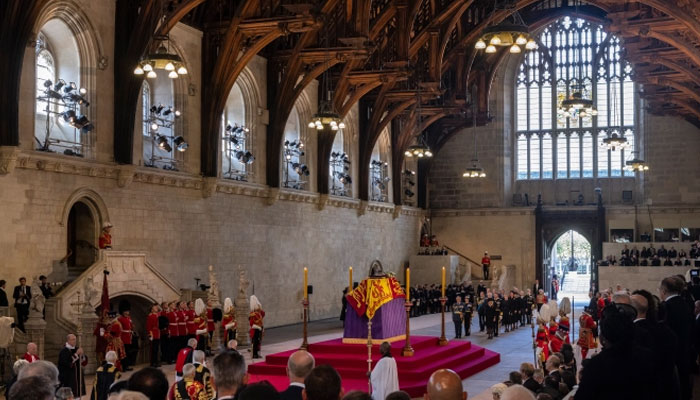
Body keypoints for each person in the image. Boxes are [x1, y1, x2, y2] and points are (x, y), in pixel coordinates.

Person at [574, 305, 654, 400]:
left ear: (603, 337)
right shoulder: (648, 357)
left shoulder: (596, 365)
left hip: (583, 332)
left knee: (584, 348)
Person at [659, 276, 694, 400]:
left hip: (670, 356)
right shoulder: (688, 304)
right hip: (685, 352)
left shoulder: (665, 307)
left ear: (663, 290)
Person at [58, 333, 88, 398]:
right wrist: (76, 354)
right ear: (68, 340)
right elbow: (67, 363)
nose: (75, 341)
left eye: (75, 339)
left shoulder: (77, 349)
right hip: (69, 377)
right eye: (73, 339)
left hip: (78, 377)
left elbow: (83, 363)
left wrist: (82, 355)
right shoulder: (64, 351)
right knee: (70, 396)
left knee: (78, 396)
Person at [118, 301, 136, 371]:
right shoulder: (120, 319)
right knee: (124, 353)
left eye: (128, 311)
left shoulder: (128, 318)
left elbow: (131, 326)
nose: (127, 312)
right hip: (123, 337)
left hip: (129, 337)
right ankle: (124, 366)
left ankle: (127, 365)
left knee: (128, 352)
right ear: (122, 312)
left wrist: (132, 327)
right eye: (125, 311)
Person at [249, 295, 265, 359]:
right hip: (255, 329)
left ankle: (257, 353)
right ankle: (254, 354)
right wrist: (258, 327)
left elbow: (263, 313)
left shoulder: (258, 313)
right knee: (255, 342)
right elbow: (251, 324)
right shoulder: (253, 314)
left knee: (258, 341)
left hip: (259, 329)